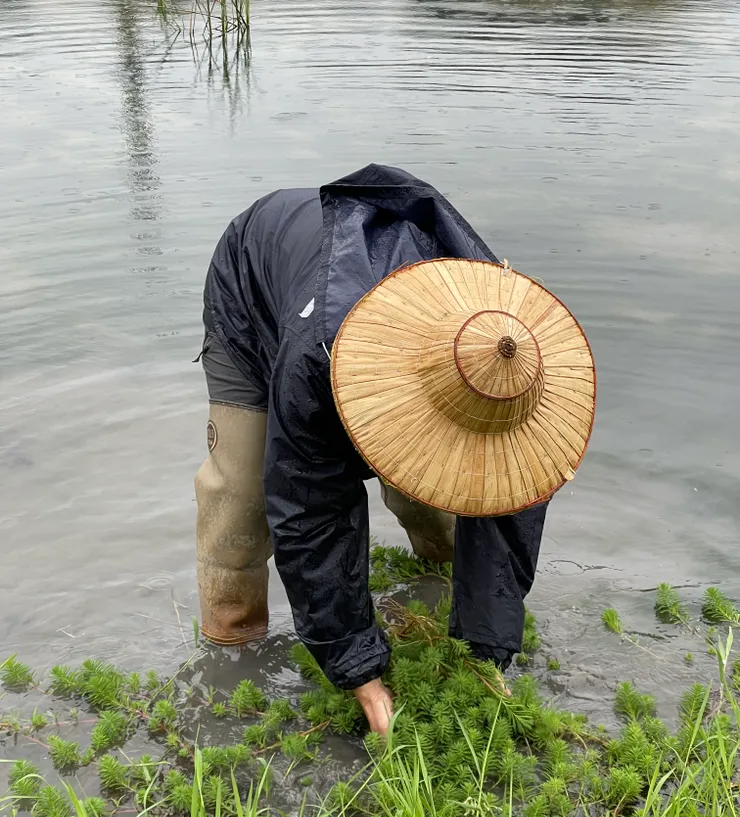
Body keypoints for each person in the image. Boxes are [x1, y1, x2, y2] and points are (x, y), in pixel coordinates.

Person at [194, 164, 595, 737]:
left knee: (436, 497)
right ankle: (231, 655)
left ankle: (437, 596)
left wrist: (485, 652)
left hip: (418, 335)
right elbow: (312, 507)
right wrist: (356, 666)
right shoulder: (316, 355)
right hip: (254, 297)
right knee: (241, 499)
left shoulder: (519, 357)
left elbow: (507, 515)